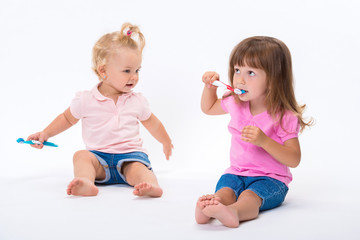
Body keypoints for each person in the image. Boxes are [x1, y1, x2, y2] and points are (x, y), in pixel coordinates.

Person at [27, 23, 173, 198]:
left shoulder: (137, 101)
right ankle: (86, 182)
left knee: (138, 169)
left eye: (137, 70)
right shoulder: (86, 99)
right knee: (81, 156)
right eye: (127, 71)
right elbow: (66, 119)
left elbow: (153, 124)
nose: (134, 77)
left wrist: (165, 141)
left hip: (130, 157)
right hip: (99, 160)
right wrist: (45, 133)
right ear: (103, 70)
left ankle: (150, 185)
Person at [195, 36, 313, 227]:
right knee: (225, 192)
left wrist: (265, 141)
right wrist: (209, 88)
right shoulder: (235, 102)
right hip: (235, 173)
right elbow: (208, 108)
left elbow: (294, 159)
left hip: (270, 179)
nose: (240, 79)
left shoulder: (284, 116)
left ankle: (234, 212)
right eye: (237, 70)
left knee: (250, 197)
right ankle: (210, 207)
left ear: (274, 80)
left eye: (251, 73)